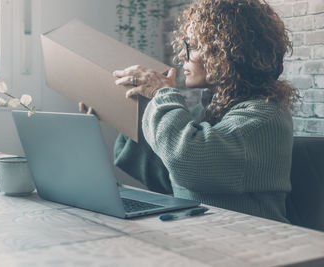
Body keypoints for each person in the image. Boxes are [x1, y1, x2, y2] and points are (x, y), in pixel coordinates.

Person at [80, 0, 300, 223]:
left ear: (226, 52)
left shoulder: (266, 117)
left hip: (251, 244)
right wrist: (121, 113)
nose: (181, 56)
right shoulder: (208, 112)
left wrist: (162, 93)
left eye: (192, 46)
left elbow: (187, 161)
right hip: (201, 236)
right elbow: (164, 175)